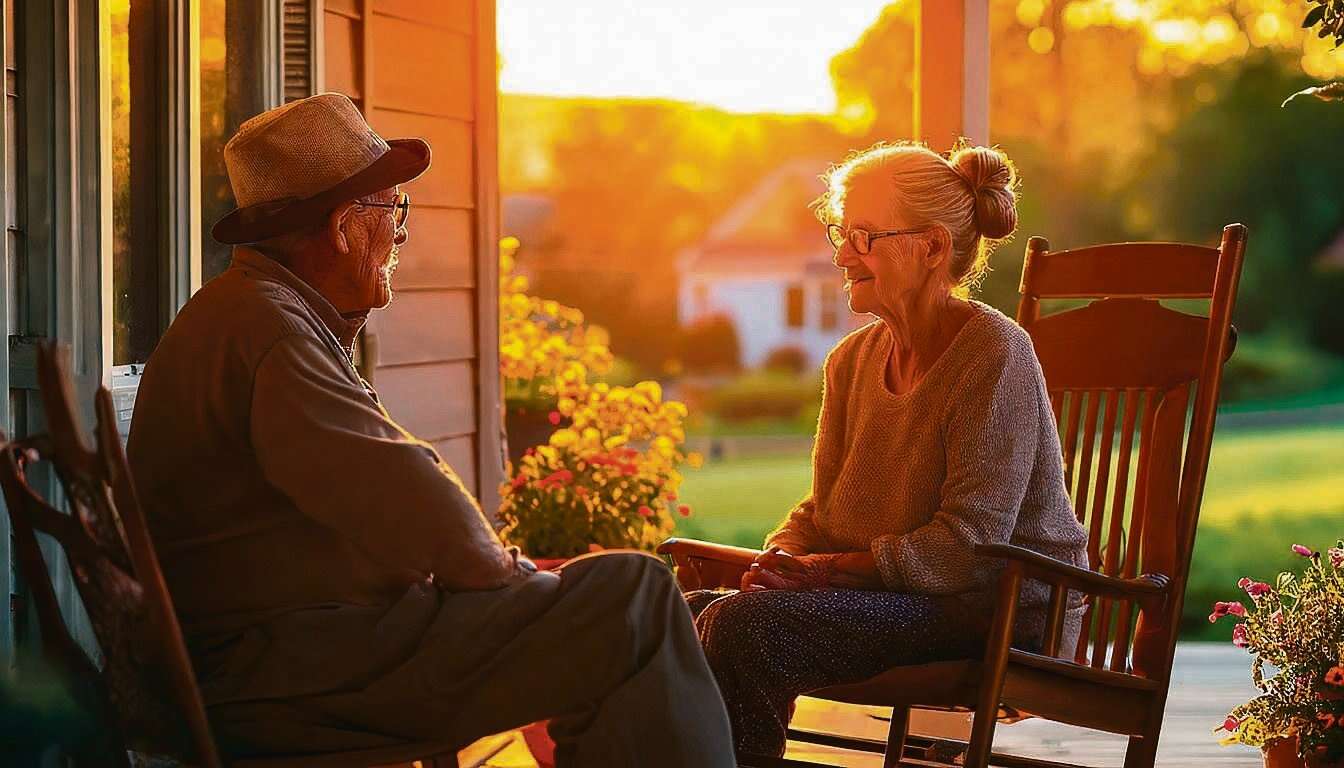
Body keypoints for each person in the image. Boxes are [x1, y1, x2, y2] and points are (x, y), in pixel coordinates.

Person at [126, 93, 733, 767]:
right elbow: (394, 487)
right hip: (293, 675)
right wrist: (506, 576)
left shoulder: (246, 313)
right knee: (635, 599)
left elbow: (369, 493)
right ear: (342, 227)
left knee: (611, 609)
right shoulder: (268, 328)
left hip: (286, 653)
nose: (403, 233)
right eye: (393, 209)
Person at [687, 142, 1090, 757]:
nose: (842, 253)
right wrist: (785, 555)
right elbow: (825, 510)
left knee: (744, 631)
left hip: (989, 614)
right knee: (682, 616)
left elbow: (967, 550)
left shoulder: (994, 354)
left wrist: (826, 572)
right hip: (895, 599)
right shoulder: (849, 362)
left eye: (864, 236)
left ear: (930, 247)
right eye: (841, 232)